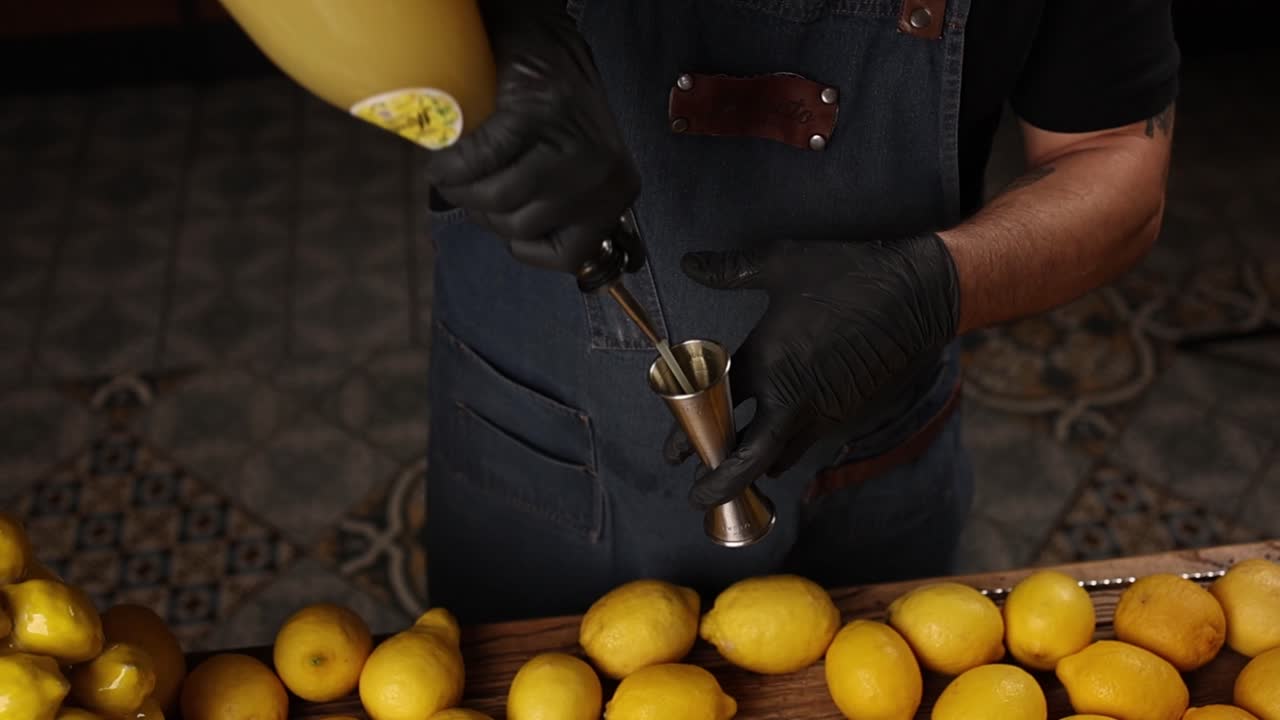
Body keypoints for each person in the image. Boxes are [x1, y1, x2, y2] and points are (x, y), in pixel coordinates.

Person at [418, 0, 1179, 624]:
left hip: (874, 468)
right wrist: (478, 33)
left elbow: (1113, 155)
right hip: (542, 453)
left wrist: (936, 286)